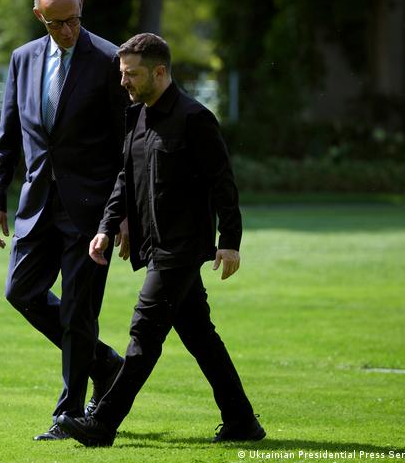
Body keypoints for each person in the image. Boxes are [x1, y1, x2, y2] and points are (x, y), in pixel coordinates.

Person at [57, 33, 265, 447]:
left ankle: (102, 424)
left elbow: (223, 183)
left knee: (144, 333)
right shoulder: (137, 116)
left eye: (131, 74)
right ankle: (241, 420)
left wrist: (229, 240)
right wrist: (106, 227)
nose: (124, 82)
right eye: (122, 73)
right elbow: (125, 179)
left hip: (181, 248)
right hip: (154, 246)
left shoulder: (195, 118)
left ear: (160, 72)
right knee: (199, 335)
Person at [0, 0, 130, 441]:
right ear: (38, 16)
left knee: (78, 314)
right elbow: (7, 137)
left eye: (74, 20)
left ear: (82, 6)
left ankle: (68, 416)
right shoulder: (22, 59)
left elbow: (127, 147)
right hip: (36, 206)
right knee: (20, 291)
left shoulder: (109, 60)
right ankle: (105, 364)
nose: (67, 31)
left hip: (92, 213)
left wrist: (122, 213)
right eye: (56, 23)